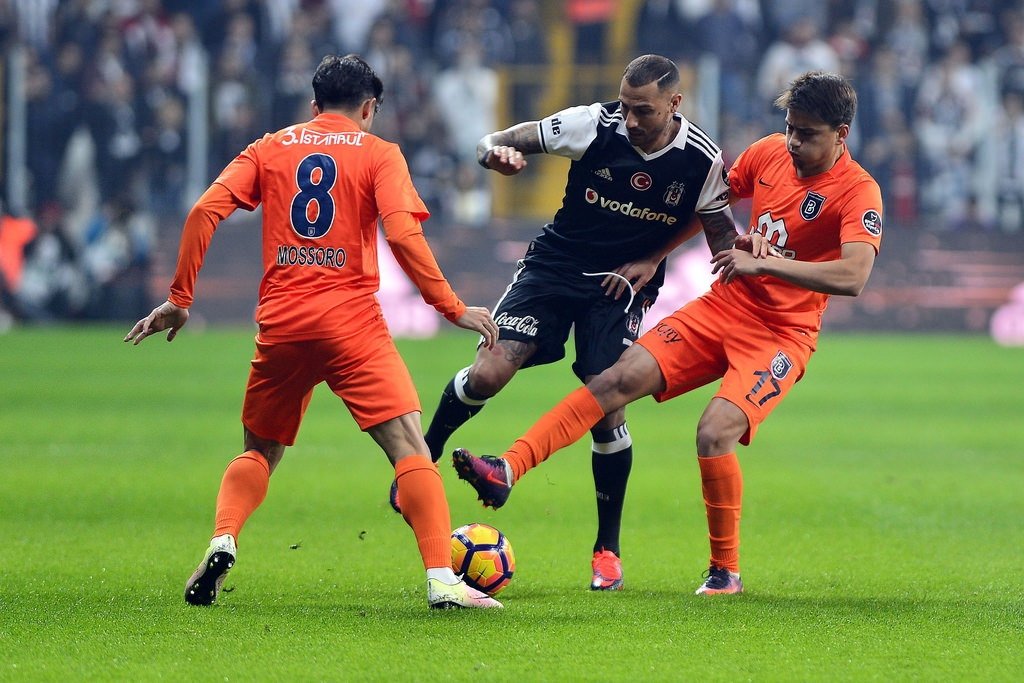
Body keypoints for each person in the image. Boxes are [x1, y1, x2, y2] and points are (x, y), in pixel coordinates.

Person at [452, 71, 883, 595]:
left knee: (713, 432)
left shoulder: (859, 191)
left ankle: (725, 571)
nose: (793, 141)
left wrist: (766, 267)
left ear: (841, 134)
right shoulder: (768, 152)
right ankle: (507, 468)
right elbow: (702, 204)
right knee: (612, 382)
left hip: (781, 334)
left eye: (808, 133)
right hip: (725, 306)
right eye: (790, 128)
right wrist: (655, 254)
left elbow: (853, 277)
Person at [124, 54, 502, 610]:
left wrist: (181, 298)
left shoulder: (270, 147)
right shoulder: (380, 153)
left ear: (313, 105)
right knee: (408, 446)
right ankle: (443, 580)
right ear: (369, 108)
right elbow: (401, 233)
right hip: (351, 322)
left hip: (282, 323)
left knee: (259, 450)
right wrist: (448, 306)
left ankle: (224, 539)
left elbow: (203, 211)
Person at [401, 54, 740, 593]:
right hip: (554, 267)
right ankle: (423, 456)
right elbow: (491, 141)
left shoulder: (702, 160)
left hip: (618, 287)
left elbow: (720, 234)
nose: (628, 120)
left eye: (643, 111)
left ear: (675, 104)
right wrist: (497, 156)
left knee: (608, 404)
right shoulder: (593, 124)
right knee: (488, 372)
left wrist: (660, 257)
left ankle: (607, 550)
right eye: (625, 106)